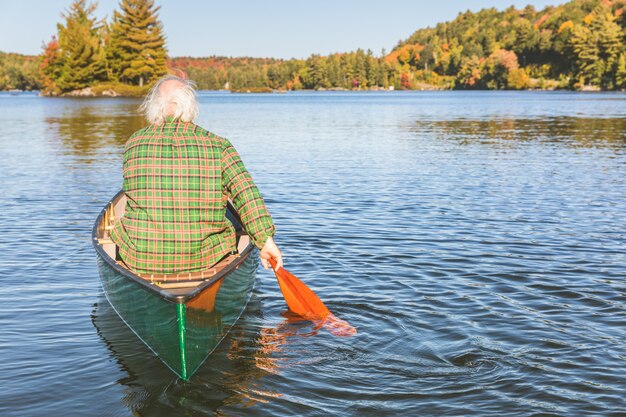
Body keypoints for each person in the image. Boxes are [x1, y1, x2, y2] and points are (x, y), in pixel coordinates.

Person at [110, 75, 282, 274]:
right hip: (205, 260)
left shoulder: (134, 143)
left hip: (141, 258)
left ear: (154, 106)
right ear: (190, 106)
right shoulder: (219, 146)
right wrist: (265, 241)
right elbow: (246, 195)